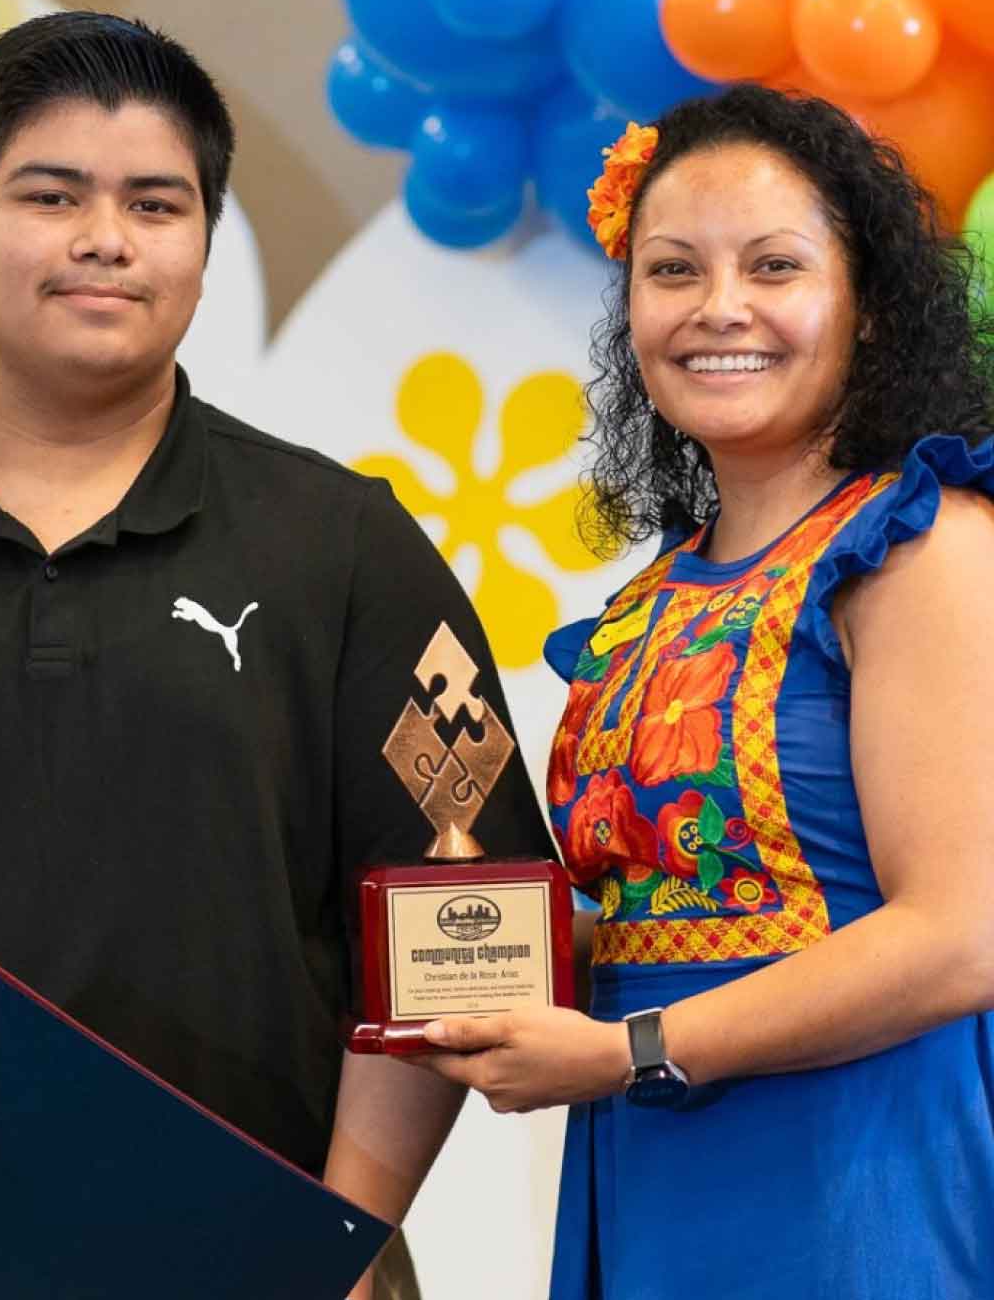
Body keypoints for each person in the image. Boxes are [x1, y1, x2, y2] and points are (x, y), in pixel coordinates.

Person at [0, 10, 553, 1299]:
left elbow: (465, 925)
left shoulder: (343, 546)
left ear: (202, 247)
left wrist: (338, 1242)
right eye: (51, 194)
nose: (106, 237)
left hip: (257, 1263)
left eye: (157, 203)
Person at [417, 83, 994, 1299]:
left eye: (775, 266)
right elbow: (662, 912)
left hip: (861, 1182)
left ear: (871, 309)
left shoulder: (924, 545)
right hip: (650, 1162)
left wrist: (631, 1051)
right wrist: (444, 958)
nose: (719, 309)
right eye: (673, 271)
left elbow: (962, 935)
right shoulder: (647, 601)